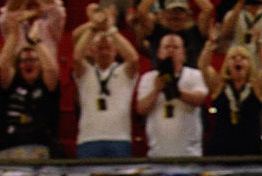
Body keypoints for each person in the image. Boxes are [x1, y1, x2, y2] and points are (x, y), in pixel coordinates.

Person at [71, 9, 140, 158]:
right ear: (93, 51)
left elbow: (133, 58)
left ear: (115, 51)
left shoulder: (124, 72)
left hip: (119, 138)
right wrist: (93, 27)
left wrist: (110, 30)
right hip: (89, 139)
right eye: (99, 48)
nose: (103, 52)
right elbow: (77, 57)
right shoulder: (86, 72)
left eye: (107, 48)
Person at [134, 33, 209, 157]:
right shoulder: (148, 78)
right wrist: (156, 90)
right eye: (167, 47)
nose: (171, 50)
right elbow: (141, 109)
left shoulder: (194, 75)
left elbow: (200, 99)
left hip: (189, 153)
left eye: (175, 47)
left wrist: (177, 92)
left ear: (183, 53)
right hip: (157, 153)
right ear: (159, 52)